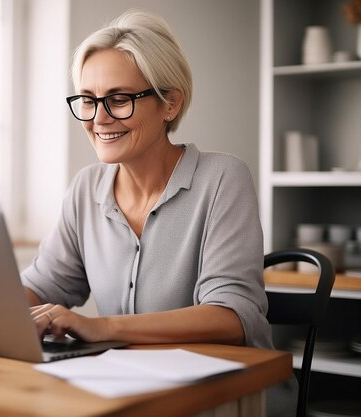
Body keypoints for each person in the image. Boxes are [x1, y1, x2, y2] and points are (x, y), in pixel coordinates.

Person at [20, 9, 296, 417]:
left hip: (229, 398)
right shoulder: (85, 189)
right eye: (89, 100)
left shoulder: (223, 178)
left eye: (118, 99)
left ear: (170, 102)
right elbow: (42, 286)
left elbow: (232, 317)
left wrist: (103, 327)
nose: (99, 118)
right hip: (132, 393)